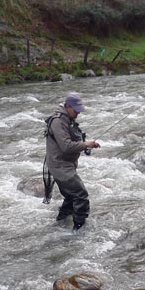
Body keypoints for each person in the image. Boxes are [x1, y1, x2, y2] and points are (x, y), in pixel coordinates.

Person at [43, 92, 100, 231]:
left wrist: (86, 144)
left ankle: (59, 225)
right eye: (76, 110)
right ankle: (79, 230)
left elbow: (73, 141)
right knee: (81, 195)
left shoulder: (68, 119)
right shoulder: (57, 121)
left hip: (65, 164)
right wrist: (85, 144)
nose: (78, 113)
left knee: (70, 196)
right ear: (67, 106)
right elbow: (66, 146)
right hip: (59, 165)